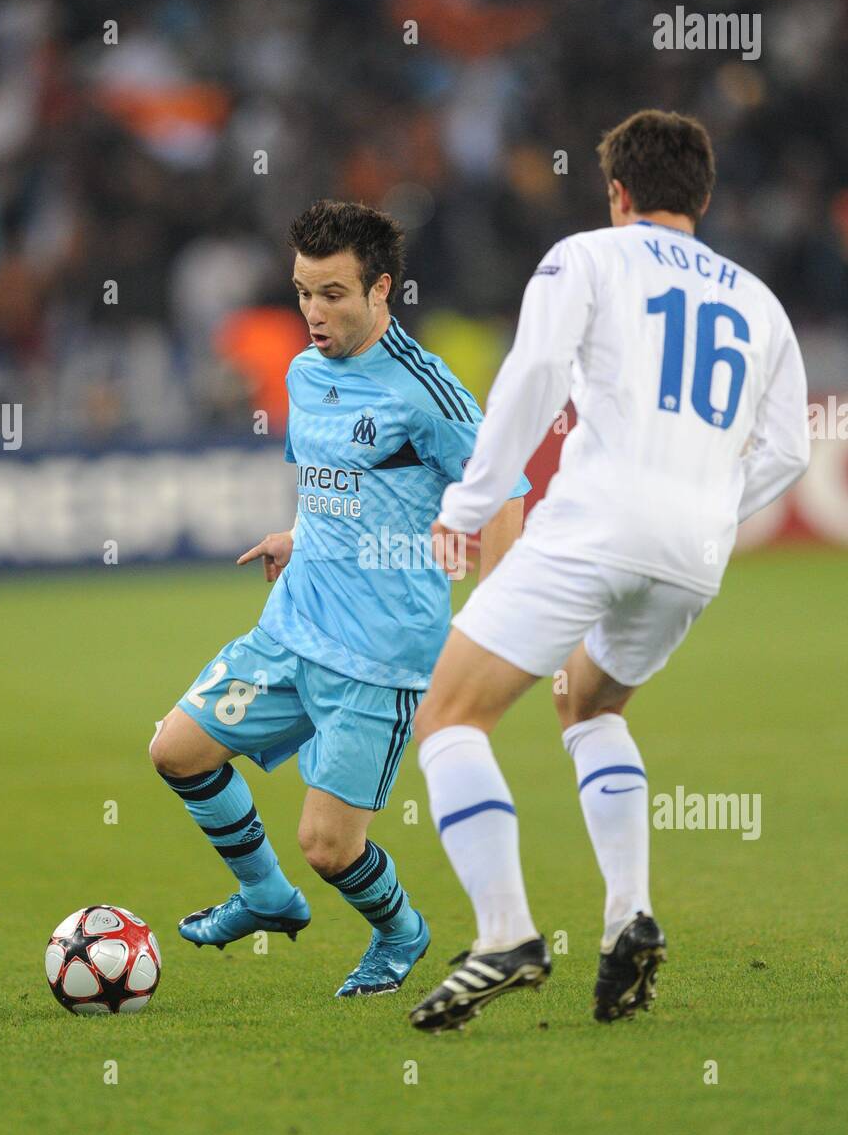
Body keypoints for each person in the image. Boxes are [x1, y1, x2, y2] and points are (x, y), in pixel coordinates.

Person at [409, 110, 810, 1031]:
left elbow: (536, 369)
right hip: (695, 550)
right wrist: (712, 506)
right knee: (587, 704)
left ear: (617, 192)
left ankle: (506, 933)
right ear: (701, 198)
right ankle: (629, 914)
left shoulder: (586, 255)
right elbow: (788, 450)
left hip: (596, 522)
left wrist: (468, 506)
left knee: (450, 713)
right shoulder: (761, 302)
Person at [149, 199, 529, 997]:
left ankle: (401, 932)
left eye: (331, 295)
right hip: (291, 629)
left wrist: (492, 614)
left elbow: (503, 495)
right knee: (176, 752)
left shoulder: (426, 389)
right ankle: (264, 894)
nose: (312, 314)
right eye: (301, 292)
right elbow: (330, 484)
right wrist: (300, 535)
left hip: (381, 656)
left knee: (328, 846)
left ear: (381, 289)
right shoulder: (303, 371)